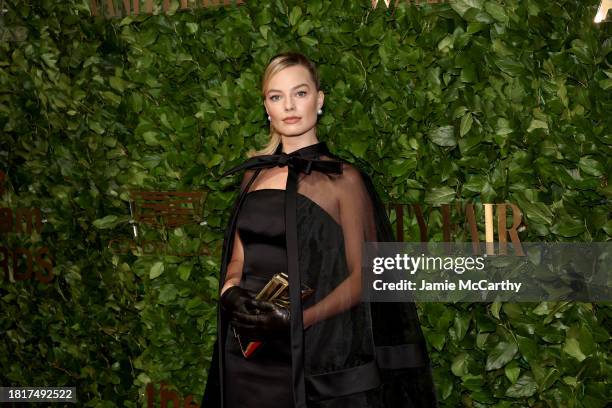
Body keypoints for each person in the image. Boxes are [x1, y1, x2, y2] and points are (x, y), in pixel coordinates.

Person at [202, 52, 438, 408]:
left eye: (300, 93)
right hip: (244, 348)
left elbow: (365, 276)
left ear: (319, 99)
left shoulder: (344, 181)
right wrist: (230, 293)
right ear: (266, 107)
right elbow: (237, 258)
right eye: (275, 96)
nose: (289, 106)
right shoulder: (252, 176)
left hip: (309, 352)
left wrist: (297, 319)